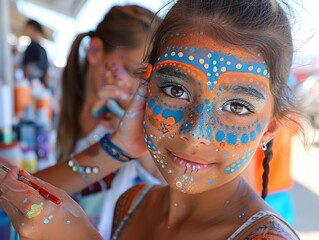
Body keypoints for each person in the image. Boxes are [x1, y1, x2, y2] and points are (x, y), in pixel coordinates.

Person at [0, 0, 302, 239]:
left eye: (237, 107)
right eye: (175, 89)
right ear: (146, 90)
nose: (195, 133)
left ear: (270, 128)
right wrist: (117, 146)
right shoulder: (132, 204)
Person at [43, 5, 163, 238]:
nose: (139, 90)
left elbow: (163, 176)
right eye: (132, 72)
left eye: (150, 81)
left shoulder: (134, 130)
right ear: (96, 51)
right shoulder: (56, 115)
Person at [22, 19, 49, 87]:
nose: (25, 30)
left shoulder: (32, 46)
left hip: (32, 84)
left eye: (27, 28)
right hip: (40, 85)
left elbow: (27, 67)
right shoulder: (42, 49)